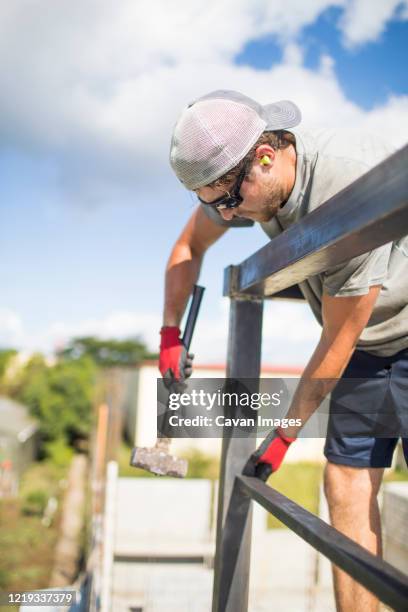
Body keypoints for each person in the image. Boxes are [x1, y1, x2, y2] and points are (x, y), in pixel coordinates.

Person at [159, 90, 408, 612]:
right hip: (367, 342)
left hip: (390, 329)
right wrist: (169, 333)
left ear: (265, 157)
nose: (229, 215)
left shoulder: (345, 182)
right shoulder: (247, 181)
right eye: (214, 204)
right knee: (344, 483)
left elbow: (337, 338)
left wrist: (281, 438)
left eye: (229, 201)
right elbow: (189, 247)